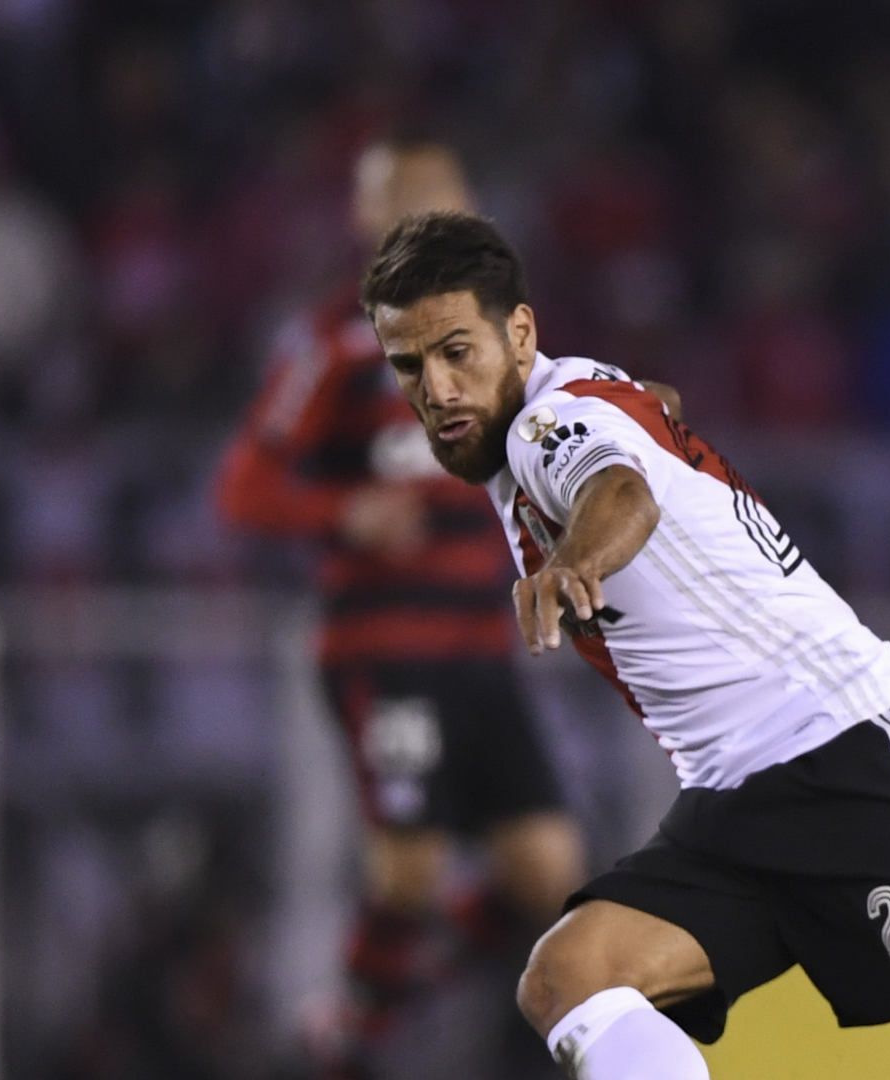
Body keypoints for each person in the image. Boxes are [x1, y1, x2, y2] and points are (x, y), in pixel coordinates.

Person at [359, 209, 890, 1080]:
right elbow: (641, 429)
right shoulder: (576, 397)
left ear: (520, 332)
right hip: (737, 795)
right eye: (409, 367)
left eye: (456, 352)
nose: (436, 389)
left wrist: (574, 560)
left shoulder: (544, 432)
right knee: (570, 976)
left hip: (849, 750)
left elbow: (620, 494)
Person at [215, 139, 586, 1076]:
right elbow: (243, 488)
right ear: (361, 220)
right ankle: (347, 1047)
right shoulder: (335, 345)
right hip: (384, 648)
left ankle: (361, 1006)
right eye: (398, 199)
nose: (419, 212)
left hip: (480, 646)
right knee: (409, 871)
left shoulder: (503, 345)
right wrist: (343, 510)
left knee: (547, 874)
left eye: (436, 195)